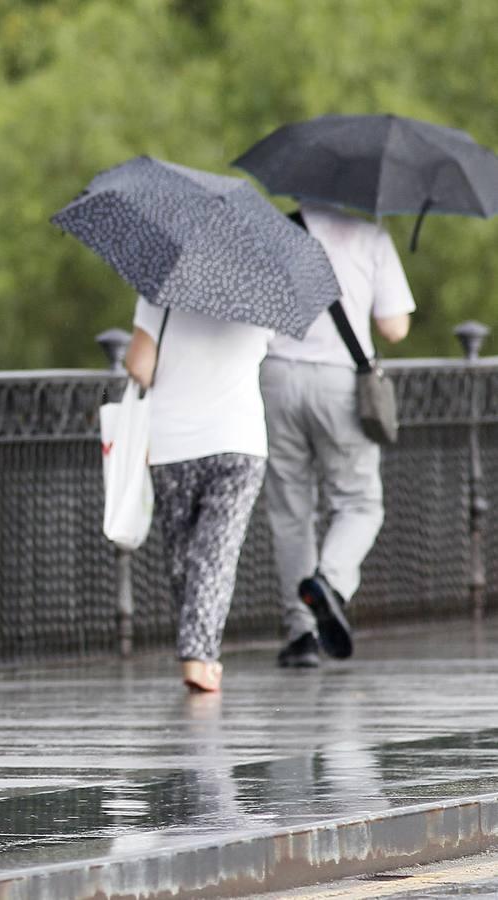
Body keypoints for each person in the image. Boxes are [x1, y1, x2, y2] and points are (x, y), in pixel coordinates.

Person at [265, 202, 415, 669]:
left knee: (291, 510)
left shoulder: (277, 230)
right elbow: (394, 328)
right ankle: (328, 583)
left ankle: (302, 635)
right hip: (339, 384)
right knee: (359, 502)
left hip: (274, 377)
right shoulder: (371, 235)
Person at [126, 298, 273, 693]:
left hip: (173, 443)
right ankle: (199, 654)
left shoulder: (161, 292)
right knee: (215, 553)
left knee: (181, 556)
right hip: (238, 440)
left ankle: (198, 650)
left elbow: (139, 364)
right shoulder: (264, 294)